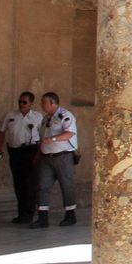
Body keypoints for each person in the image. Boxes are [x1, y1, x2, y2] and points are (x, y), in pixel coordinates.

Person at [32, 92, 79, 228]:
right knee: (42, 186)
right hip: (46, 157)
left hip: (63, 156)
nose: (41, 105)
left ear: (53, 103)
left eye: (44, 102)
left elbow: (69, 133)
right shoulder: (45, 118)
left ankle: (70, 215)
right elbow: (42, 137)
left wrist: (53, 139)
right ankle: (42, 217)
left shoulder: (65, 115)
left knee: (66, 185)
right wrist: (38, 154)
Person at [0, 91, 42, 224]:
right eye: (19, 101)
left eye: (24, 102)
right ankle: (21, 214)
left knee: (30, 183)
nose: (21, 104)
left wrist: (39, 154)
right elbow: (1, 132)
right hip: (15, 152)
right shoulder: (10, 115)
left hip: (31, 150)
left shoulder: (37, 117)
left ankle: (29, 214)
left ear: (31, 103)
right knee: (19, 183)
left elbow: (43, 136)